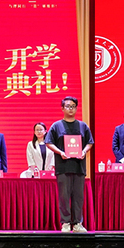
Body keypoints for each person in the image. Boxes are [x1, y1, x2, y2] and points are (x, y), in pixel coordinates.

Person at [47, 96, 93, 233]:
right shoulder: (56, 126)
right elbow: (49, 142)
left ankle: (78, 223)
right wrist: (60, 152)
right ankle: (66, 223)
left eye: (73, 106)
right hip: (63, 166)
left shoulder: (82, 126)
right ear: (62, 108)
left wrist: (84, 151)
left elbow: (90, 142)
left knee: (78, 196)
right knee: (64, 196)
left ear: (76, 108)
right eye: (67, 106)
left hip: (79, 166)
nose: (70, 109)